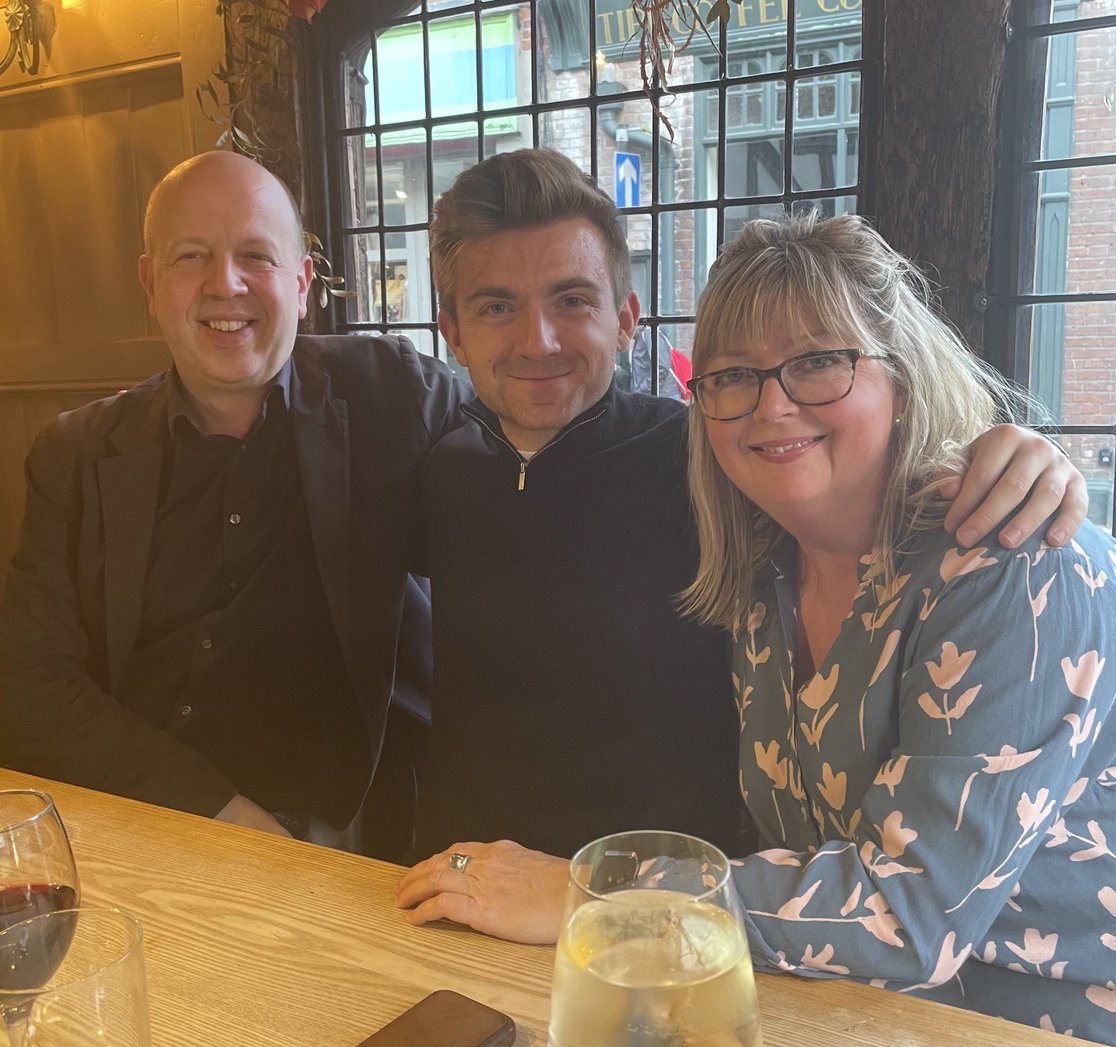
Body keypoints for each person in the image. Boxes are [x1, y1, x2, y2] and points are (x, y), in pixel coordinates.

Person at [394, 148, 1092, 942]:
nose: (539, 339)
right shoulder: (439, 469)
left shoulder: (714, 462)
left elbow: (869, 477)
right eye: (494, 308)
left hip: (674, 920)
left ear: (624, 317)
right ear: (449, 330)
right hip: (461, 889)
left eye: (572, 299)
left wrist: (1033, 461)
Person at [679, 212, 1115, 1042]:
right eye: (732, 376)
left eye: (818, 362)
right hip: (859, 1031)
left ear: (902, 380)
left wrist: (610, 901)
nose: (770, 406)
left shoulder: (1013, 557)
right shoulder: (763, 588)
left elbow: (910, 916)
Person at [0, 151, 467, 850]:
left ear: (302, 283)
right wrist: (214, 809)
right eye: (191, 256)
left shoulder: (395, 394)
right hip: (151, 821)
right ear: (149, 284)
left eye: (257, 255)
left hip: (361, 837)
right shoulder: (73, 456)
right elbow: (29, 684)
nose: (226, 284)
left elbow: (528, 456)